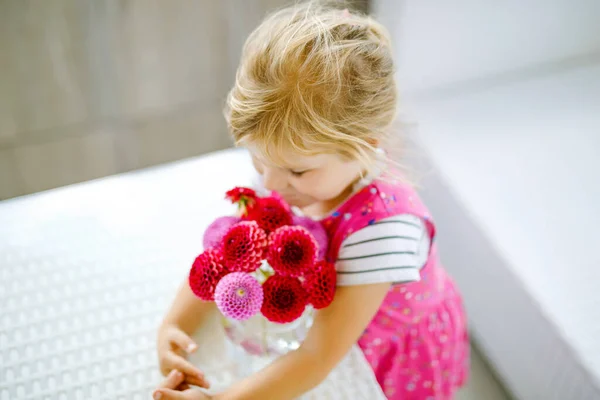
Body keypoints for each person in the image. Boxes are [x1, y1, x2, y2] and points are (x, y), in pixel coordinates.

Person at [154, 2, 469, 399]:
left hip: (386, 349)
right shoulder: (287, 163)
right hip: (330, 330)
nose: (270, 183)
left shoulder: (385, 231)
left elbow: (319, 354)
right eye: (258, 160)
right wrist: (175, 326)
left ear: (364, 147)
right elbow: (226, 256)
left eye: (297, 172)